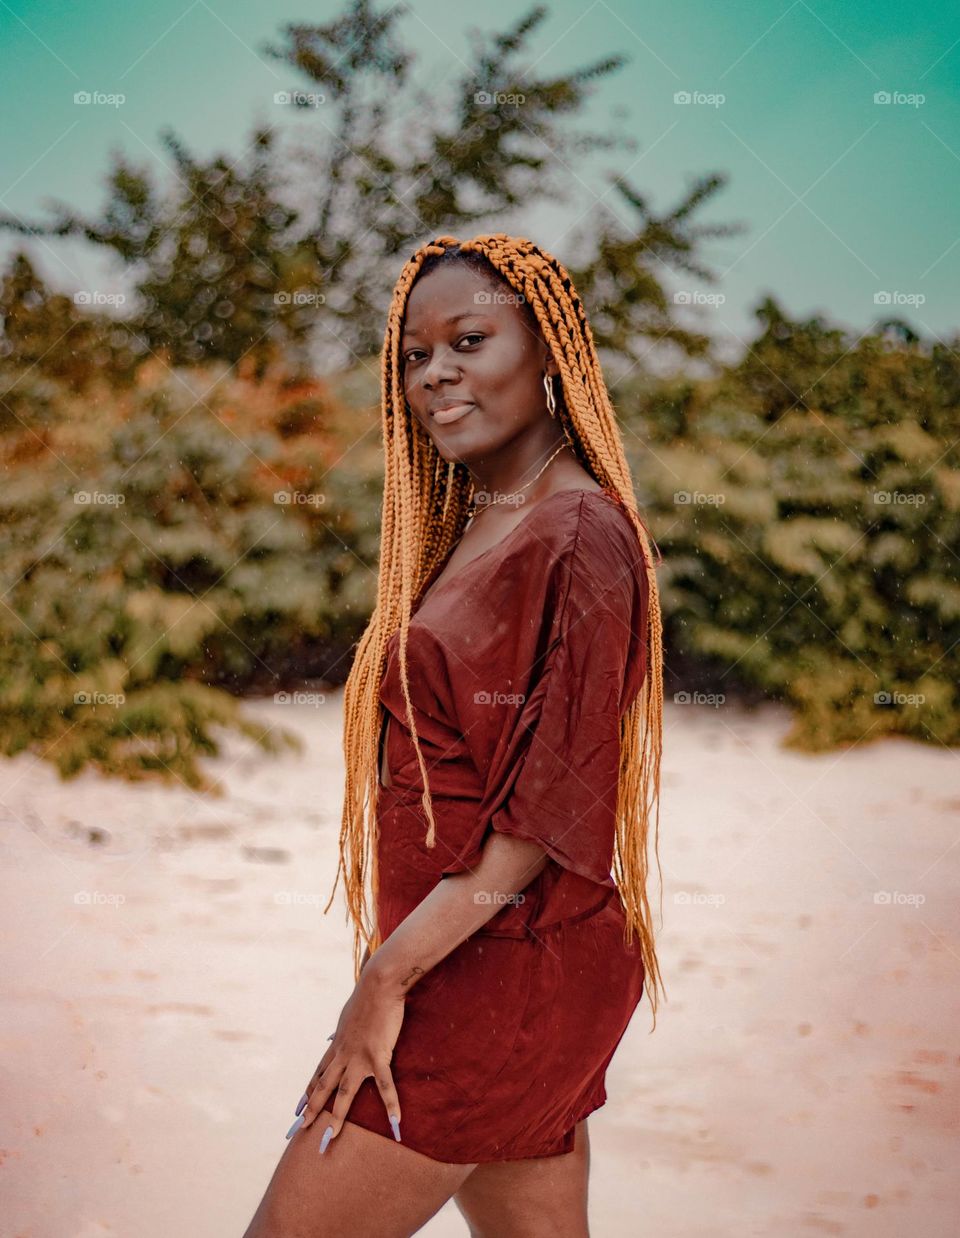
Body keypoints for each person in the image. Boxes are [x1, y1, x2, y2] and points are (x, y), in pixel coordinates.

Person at [242, 233, 665, 1237]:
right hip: (498, 969)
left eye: (469, 340)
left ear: (552, 351)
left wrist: (381, 981)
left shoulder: (577, 535)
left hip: (489, 980)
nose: (437, 374)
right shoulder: (487, 519)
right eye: (416, 356)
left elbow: (542, 812)